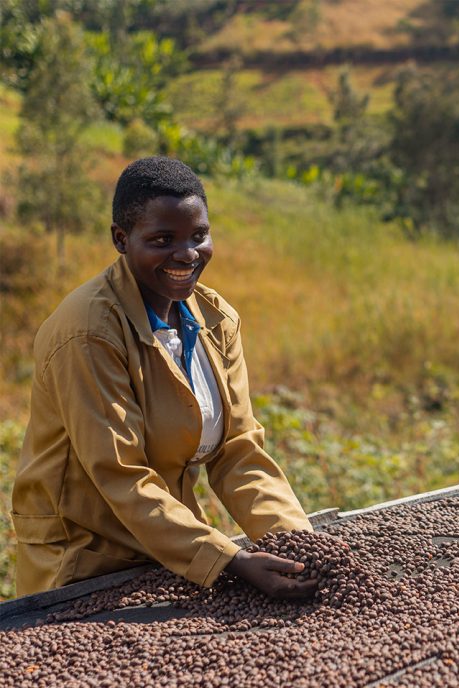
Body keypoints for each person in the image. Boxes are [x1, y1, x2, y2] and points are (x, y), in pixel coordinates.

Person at [12, 157, 318, 600]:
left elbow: (238, 451)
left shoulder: (214, 318)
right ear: (121, 239)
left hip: (168, 551)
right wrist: (229, 560)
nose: (187, 254)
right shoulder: (88, 333)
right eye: (162, 240)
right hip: (83, 565)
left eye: (199, 236)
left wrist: (298, 545)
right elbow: (120, 473)